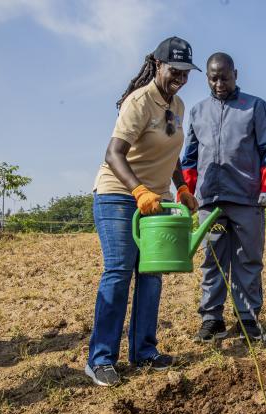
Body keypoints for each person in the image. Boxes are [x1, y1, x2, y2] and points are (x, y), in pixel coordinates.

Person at [86, 36, 200, 387]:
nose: (180, 78)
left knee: (151, 273)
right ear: (158, 66)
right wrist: (138, 191)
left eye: (185, 72)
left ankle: (144, 352)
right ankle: (101, 359)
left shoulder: (177, 106)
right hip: (119, 195)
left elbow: (171, 151)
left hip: (157, 200)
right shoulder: (138, 102)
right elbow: (114, 154)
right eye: (174, 71)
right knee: (120, 271)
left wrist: (180, 186)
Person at [181, 52, 266, 343]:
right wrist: (186, 194)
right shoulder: (198, 112)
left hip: (248, 199)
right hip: (209, 202)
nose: (219, 83)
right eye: (213, 78)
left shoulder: (254, 107)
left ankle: (247, 319)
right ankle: (212, 318)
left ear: (235, 74)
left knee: (247, 259)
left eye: (224, 77)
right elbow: (188, 159)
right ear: (207, 78)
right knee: (212, 259)